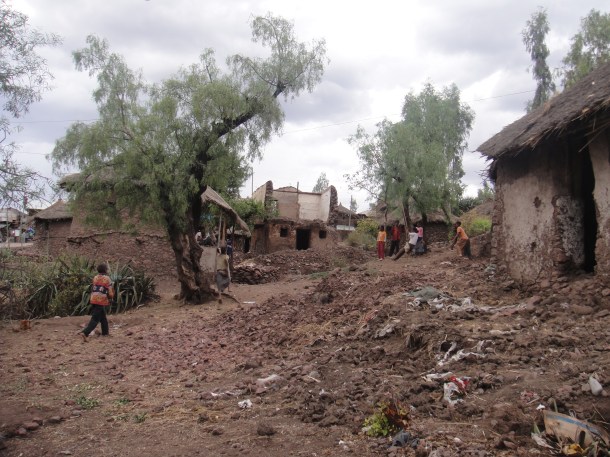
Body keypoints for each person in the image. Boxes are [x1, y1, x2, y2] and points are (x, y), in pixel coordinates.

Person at [80, 263, 115, 342]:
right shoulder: (107, 278)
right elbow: (110, 292)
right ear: (105, 270)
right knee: (95, 319)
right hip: (100, 300)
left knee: (103, 318)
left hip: (93, 299)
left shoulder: (95, 277)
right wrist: (111, 297)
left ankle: (105, 333)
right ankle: (85, 333)